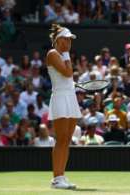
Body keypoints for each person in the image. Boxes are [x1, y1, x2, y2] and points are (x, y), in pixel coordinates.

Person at [46, 24, 81, 189]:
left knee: (67, 140)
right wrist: (66, 55)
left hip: (70, 97)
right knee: (60, 139)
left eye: (70, 39)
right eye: (66, 39)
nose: (69, 42)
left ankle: (62, 176)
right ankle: (56, 178)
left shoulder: (64, 56)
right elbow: (67, 73)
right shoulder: (53, 54)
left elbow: (68, 76)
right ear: (59, 40)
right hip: (60, 98)